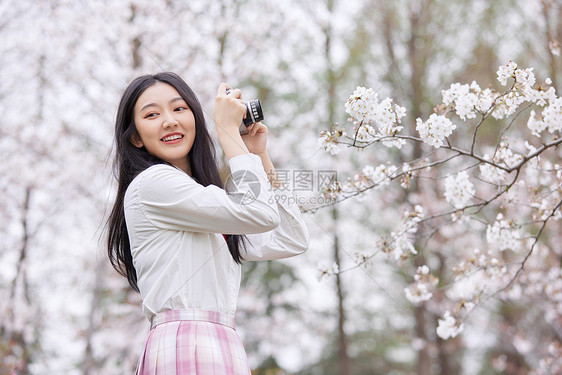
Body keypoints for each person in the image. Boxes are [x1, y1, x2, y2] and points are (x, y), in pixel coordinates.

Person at [106, 72, 309, 374]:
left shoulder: (201, 203)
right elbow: (260, 214)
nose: (169, 121)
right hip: (187, 342)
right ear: (135, 137)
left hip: (221, 343)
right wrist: (228, 136)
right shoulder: (152, 184)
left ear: (195, 119)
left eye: (179, 109)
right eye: (151, 114)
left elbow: (292, 238)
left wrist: (259, 155)